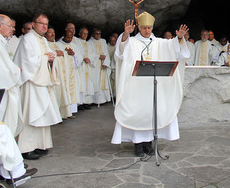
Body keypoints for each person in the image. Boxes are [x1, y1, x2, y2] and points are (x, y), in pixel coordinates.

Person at [111, 12, 190, 157]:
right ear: (139, 28)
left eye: (149, 28)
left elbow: (173, 47)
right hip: (136, 87)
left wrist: (179, 38)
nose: (147, 31)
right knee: (137, 112)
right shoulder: (132, 42)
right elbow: (121, 52)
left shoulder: (159, 42)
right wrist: (125, 35)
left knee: (151, 113)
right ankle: (138, 145)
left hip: (153, 86)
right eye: (144, 28)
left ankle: (148, 144)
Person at [14, 13, 62, 160]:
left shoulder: (42, 40)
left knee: (43, 113)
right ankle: (26, 148)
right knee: (31, 114)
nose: (44, 27)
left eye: (46, 24)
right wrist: (46, 58)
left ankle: (41, 144)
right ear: (33, 24)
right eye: (41, 23)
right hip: (31, 84)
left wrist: (51, 59)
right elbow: (27, 62)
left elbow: (47, 56)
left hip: (42, 83)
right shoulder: (27, 40)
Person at [0, 14, 23, 137]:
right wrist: (17, 70)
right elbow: (1, 70)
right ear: (0, 26)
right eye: (10, 26)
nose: (12, 29)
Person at [45, 27, 72, 119]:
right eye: (50, 32)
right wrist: (56, 54)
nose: (52, 34)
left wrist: (63, 53)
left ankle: (62, 114)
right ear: (45, 34)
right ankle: (54, 115)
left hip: (61, 74)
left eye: (53, 32)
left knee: (62, 93)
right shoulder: (45, 44)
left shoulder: (57, 44)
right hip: (52, 74)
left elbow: (64, 55)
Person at [57, 30, 83, 115]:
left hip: (73, 72)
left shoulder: (74, 45)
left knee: (73, 90)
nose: (70, 39)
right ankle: (65, 111)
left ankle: (72, 111)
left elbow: (80, 57)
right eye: (68, 37)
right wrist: (66, 53)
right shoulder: (59, 44)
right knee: (65, 90)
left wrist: (74, 54)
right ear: (63, 36)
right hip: (65, 72)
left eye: (71, 37)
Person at [88, 28, 111, 105]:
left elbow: (106, 53)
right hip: (94, 66)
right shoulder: (89, 43)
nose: (98, 35)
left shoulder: (103, 41)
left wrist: (106, 63)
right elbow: (89, 54)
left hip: (103, 65)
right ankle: (96, 100)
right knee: (96, 82)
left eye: (99, 34)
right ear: (93, 34)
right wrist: (98, 56)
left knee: (103, 82)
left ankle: (103, 99)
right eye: (96, 34)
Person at [78, 27, 95, 108]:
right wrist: (83, 58)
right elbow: (77, 53)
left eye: (86, 34)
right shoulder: (77, 42)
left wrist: (89, 59)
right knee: (82, 84)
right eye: (83, 33)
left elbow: (92, 54)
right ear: (79, 34)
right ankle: (81, 103)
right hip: (81, 66)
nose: (85, 35)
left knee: (88, 84)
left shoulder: (89, 43)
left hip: (88, 66)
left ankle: (87, 102)